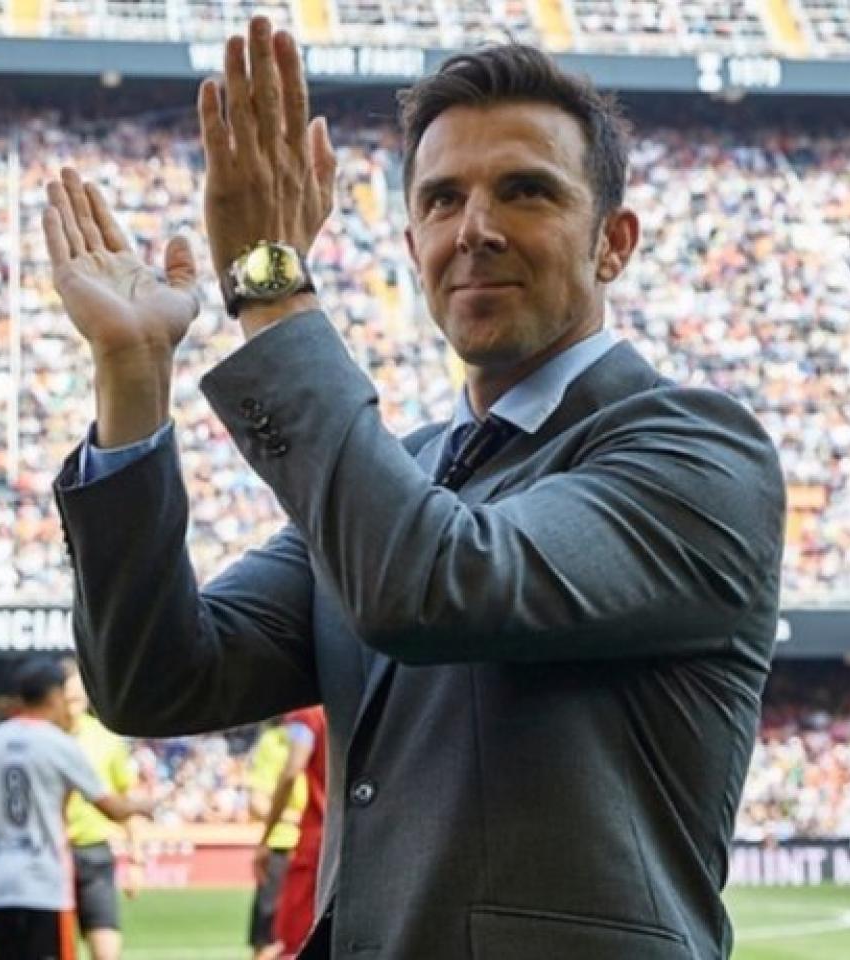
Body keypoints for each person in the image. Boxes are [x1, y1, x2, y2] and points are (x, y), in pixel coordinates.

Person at [46, 17, 784, 959]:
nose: (474, 229)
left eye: (526, 191)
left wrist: (268, 285)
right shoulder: (402, 473)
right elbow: (156, 681)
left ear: (614, 243)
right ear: (411, 242)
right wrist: (133, 376)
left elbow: (430, 586)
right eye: (441, 200)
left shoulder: (694, 451)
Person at [0, 658, 157, 960]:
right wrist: (145, 804)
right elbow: (112, 809)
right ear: (54, 696)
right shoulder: (59, 745)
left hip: (1, 882)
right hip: (44, 881)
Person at [60, 659, 145, 960]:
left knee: (107, 951)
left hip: (94, 854)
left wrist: (135, 860)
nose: (72, 704)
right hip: (53, 858)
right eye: (66, 697)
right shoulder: (44, 737)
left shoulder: (105, 738)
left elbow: (127, 800)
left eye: (77, 697)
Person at [258, 707, 325, 960]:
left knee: (292, 943)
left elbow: (291, 771)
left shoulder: (307, 716)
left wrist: (265, 836)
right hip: (356, 843)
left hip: (315, 844)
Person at [243, 720, 306, 959]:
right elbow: (257, 802)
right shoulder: (273, 741)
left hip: (317, 847)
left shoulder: (329, 730)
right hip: (282, 846)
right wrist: (298, 817)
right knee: (268, 937)